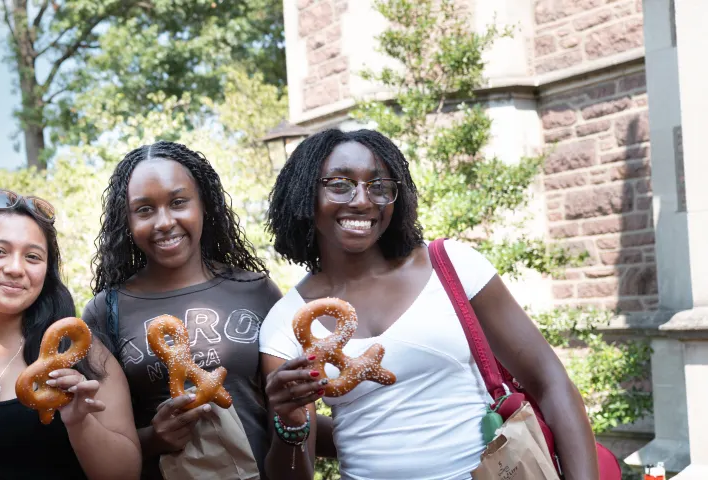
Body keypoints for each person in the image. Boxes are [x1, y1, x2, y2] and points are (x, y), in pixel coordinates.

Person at [257, 128, 598, 479]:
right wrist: (290, 422)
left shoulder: (452, 267)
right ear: (303, 195)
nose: (361, 200)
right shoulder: (285, 324)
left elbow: (550, 382)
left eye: (378, 186)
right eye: (339, 184)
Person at [80, 140, 331, 478]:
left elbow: (286, 420)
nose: (164, 221)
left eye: (178, 202)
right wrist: (155, 438)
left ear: (204, 206)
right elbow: (107, 445)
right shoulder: (105, 311)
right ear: (127, 220)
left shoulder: (256, 291)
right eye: (144, 209)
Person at [0, 188, 141, 480]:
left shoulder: (82, 353)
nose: (15, 269)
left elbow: (126, 475)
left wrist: (80, 423)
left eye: (33, 257)